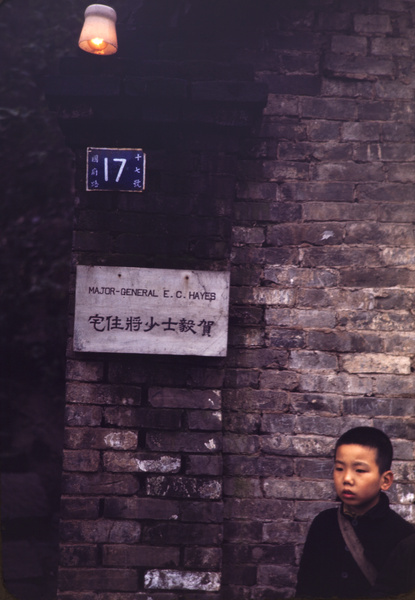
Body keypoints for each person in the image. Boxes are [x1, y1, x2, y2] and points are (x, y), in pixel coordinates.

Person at [295, 426, 415, 599]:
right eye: (339, 468)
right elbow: (305, 589)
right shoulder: (324, 523)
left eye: (359, 470)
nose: (347, 479)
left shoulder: (404, 536)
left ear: (385, 480)